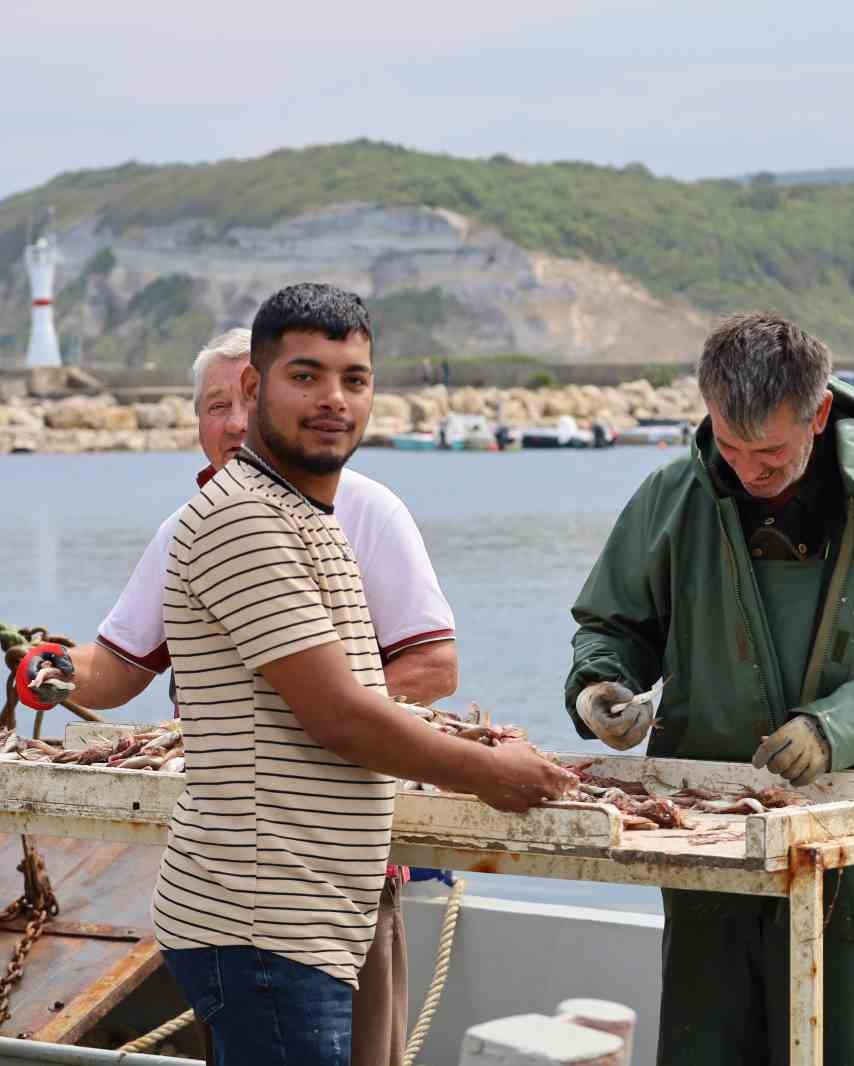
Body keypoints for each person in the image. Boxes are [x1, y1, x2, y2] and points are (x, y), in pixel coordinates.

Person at [154, 283, 574, 1064]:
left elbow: (379, 693)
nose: (333, 401)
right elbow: (342, 716)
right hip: (263, 923)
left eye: (354, 379)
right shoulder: (244, 520)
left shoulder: (309, 515)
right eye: (305, 376)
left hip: (301, 921)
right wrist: (488, 773)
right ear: (253, 387)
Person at [564, 312, 854, 1066]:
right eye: (727, 447)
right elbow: (611, 625)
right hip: (713, 858)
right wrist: (600, 687)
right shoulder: (673, 497)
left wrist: (838, 730)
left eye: (767, 453)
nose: (744, 471)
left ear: (819, 414)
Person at [32, 325, 459, 1066]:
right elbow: (122, 665)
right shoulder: (192, 525)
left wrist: (318, 716)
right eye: (211, 405)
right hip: (236, 874)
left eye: (244, 398)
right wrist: (51, 667)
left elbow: (432, 666)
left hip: (339, 866)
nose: (231, 421)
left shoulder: (366, 510)